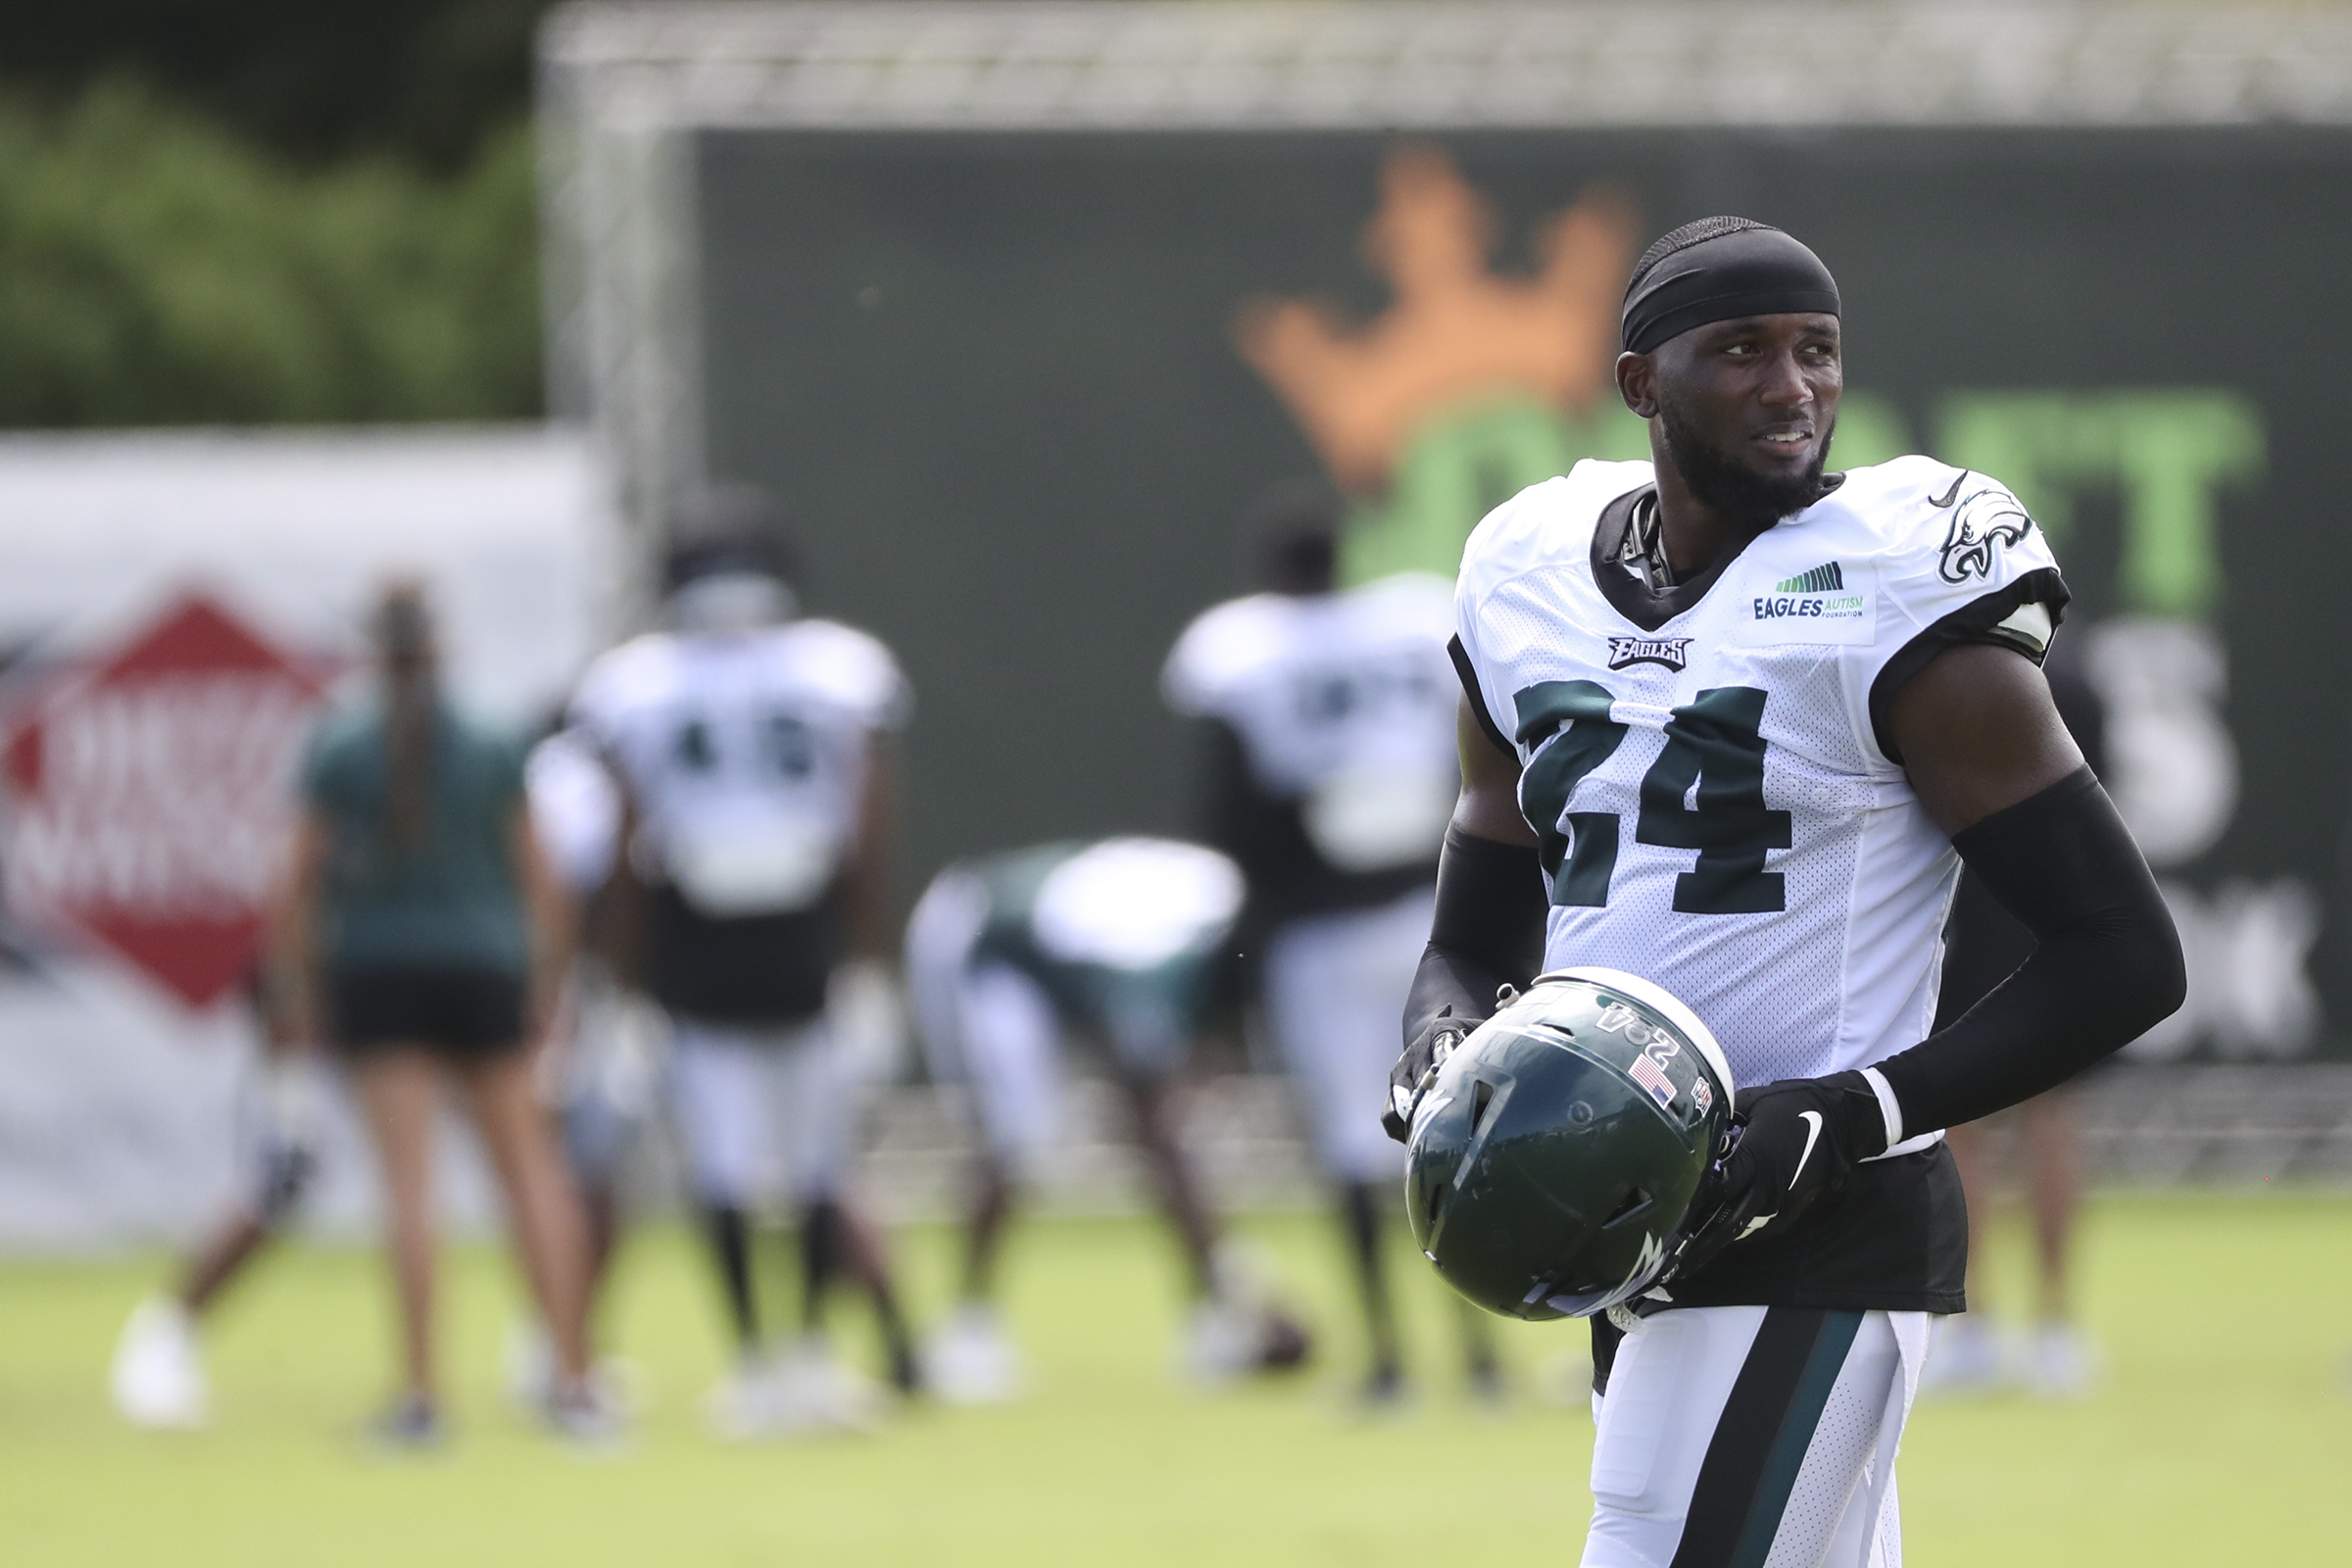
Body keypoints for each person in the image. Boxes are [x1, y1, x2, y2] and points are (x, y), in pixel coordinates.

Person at [1385, 218, 2181, 1564]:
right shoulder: (1527, 564)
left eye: (1817, 351)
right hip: (1621, 1206)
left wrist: (1848, 1114)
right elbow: (1475, 918)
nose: (1791, 385)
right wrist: (1440, 1040)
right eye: (1741, 350)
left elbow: (2125, 955)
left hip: (1813, 1218)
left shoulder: (1889, 577)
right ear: (1643, 384)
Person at [568, 487, 918, 1438]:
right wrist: (869, 961)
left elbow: (627, 847)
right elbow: (868, 839)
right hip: (776, 927)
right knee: (781, 1158)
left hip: (713, 931)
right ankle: (782, 1360)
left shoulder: (639, 679)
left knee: (760, 1158)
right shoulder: (833, 669)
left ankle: (780, 1361)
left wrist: (621, 982)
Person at [1161, 483, 1495, 1406]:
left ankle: (1389, 1359)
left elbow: (1229, 813)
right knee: (1452, 1127)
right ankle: (1481, 1355)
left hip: (1317, 931)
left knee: (1354, 1147)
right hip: (1427, 917)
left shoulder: (1243, 654)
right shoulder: (1408, 624)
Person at [274, 581, 609, 1447]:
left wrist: (298, 989)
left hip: (380, 972)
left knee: (412, 1190)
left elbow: (296, 883)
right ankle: (574, 1387)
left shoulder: (342, 741)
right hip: (485, 969)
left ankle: (423, 1400)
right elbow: (543, 875)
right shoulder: (497, 734)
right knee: (533, 1177)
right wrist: (549, 983)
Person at [906, 836, 1312, 1401]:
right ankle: (966, 1331)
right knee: (1017, 1135)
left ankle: (1213, 1309)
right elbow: (1152, 1116)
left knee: (1153, 1131)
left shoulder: (1220, 921)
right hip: (982, 937)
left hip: (1057, 947)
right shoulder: (1165, 953)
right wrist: (1233, 1271)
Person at [1921, 653, 2110, 1399]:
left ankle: (2007, 1328)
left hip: (1983, 916)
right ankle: (2036, 1328)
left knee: (2006, 1119)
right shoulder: (2073, 679)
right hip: (2038, 917)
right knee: (2025, 1117)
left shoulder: (1946, 668)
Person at [107, 966, 324, 1429]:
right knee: (285, 1175)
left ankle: (519, 1340)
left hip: (439, 998)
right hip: (339, 1010)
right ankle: (167, 1332)